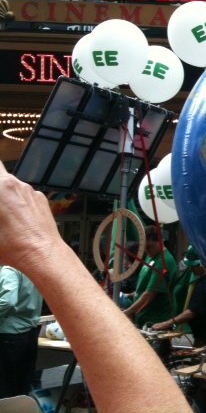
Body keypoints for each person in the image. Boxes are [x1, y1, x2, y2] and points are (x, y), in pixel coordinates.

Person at [0, 160, 190, 411]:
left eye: (148, 244)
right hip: (26, 331)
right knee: (19, 387)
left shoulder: (165, 260)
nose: (144, 249)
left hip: (151, 321)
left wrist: (40, 245)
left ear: (156, 241)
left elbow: (149, 294)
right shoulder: (152, 261)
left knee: (11, 389)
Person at [152, 246, 206, 347]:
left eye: (193, 266)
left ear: (202, 263)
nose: (191, 269)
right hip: (203, 336)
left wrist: (166, 324)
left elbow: (191, 313)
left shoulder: (205, 284)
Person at [0, 265, 43, 399]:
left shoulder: (9, 271)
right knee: (22, 387)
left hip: (8, 334)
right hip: (29, 332)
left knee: (5, 389)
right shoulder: (30, 270)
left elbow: (8, 302)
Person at [124, 225, 178, 328]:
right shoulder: (151, 256)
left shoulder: (164, 261)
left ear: (159, 241)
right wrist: (130, 295)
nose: (146, 250)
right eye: (144, 247)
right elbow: (145, 287)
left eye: (149, 247)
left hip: (156, 322)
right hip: (144, 319)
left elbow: (149, 294)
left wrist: (127, 312)